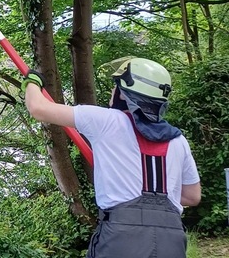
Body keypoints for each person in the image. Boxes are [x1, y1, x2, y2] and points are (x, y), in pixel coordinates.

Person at [21, 57, 201, 258]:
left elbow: (38, 108)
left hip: (122, 240)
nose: (113, 92)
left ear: (125, 94)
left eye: (117, 87)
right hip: (172, 241)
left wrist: (33, 82)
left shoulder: (105, 121)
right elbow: (192, 196)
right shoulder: (178, 140)